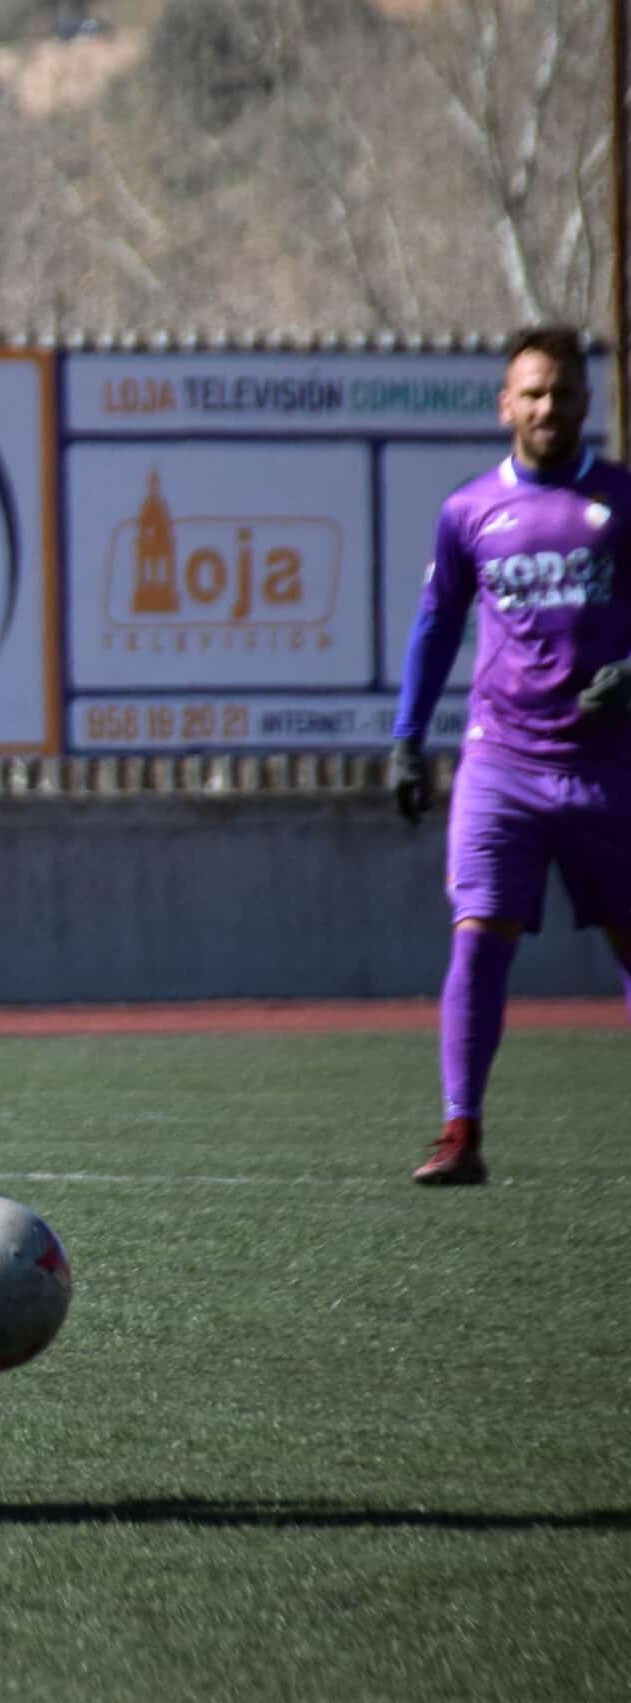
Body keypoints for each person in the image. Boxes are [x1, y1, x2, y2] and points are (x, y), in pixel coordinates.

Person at [388, 324, 631, 1186]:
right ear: (506, 405)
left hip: (610, 766)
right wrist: (407, 742)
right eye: (532, 393)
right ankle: (461, 1130)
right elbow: (436, 625)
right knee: (479, 936)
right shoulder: (469, 511)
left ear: (584, 401)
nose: (548, 407)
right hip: (503, 764)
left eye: (563, 392)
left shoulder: (621, 500)